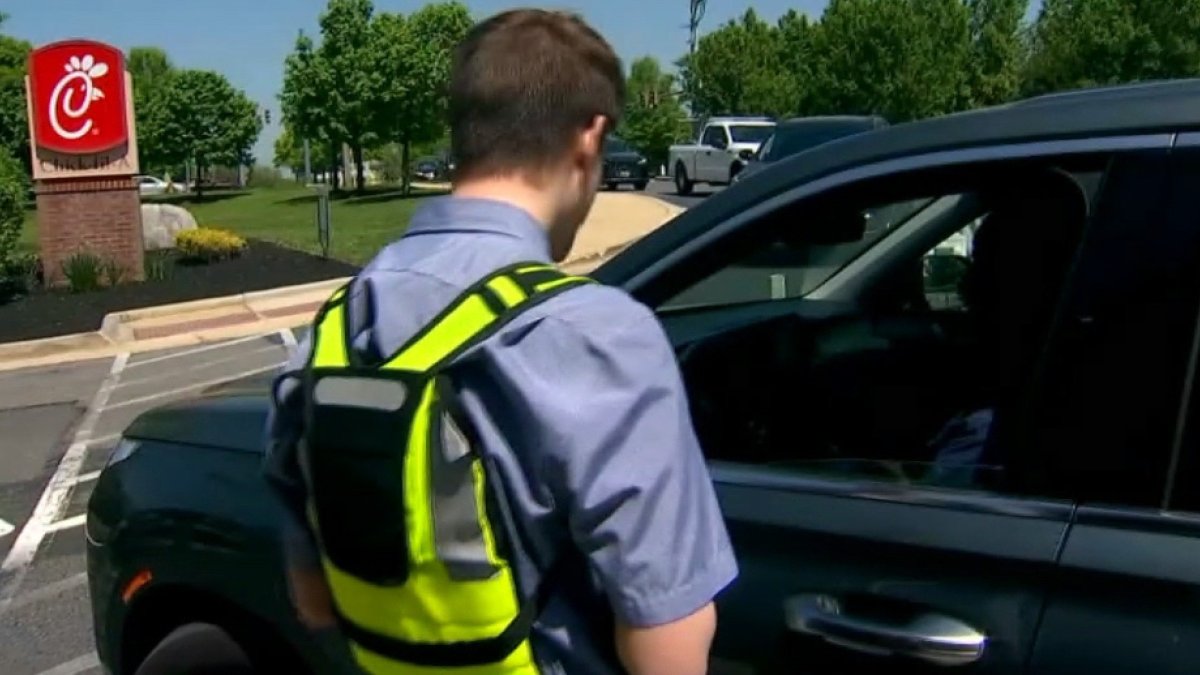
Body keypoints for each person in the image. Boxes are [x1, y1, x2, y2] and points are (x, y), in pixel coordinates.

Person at [262, 8, 738, 675]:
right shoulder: (601, 333)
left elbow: (314, 596)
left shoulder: (336, 326)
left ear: (464, 132)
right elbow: (668, 643)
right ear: (589, 139)